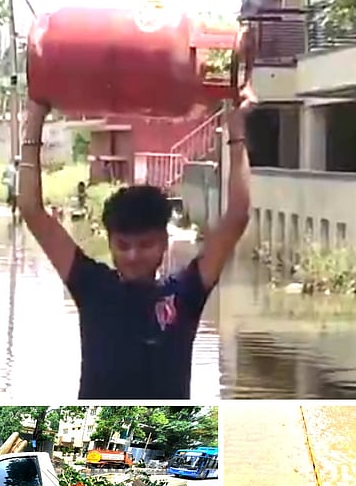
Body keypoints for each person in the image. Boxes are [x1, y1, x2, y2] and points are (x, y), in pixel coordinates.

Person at [16, 87, 255, 399]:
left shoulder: (185, 293)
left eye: (145, 245)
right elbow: (31, 210)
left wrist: (236, 130)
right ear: (110, 242)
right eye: (123, 245)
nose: (133, 256)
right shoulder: (91, 286)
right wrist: (35, 117)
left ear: (164, 243)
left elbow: (237, 215)